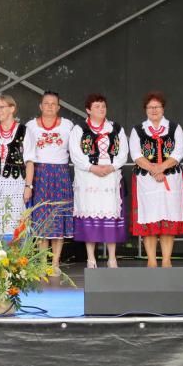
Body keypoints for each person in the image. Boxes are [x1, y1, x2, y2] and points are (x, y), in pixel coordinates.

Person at [129, 91, 183, 268]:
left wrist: (161, 167)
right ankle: (151, 260)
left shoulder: (174, 128)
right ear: (145, 109)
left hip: (170, 178)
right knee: (149, 220)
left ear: (163, 109)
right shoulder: (138, 130)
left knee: (168, 219)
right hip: (146, 181)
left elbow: (179, 151)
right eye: (150, 107)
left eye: (157, 107)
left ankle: (166, 259)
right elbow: (136, 154)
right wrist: (153, 169)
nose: (154, 110)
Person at [69, 93, 129, 268]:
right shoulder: (79, 129)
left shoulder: (116, 128)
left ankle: (112, 258)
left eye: (103, 106)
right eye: (97, 106)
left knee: (110, 214)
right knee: (90, 215)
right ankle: (91, 258)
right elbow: (75, 154)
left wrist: (111, 167)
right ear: (88, 110)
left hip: (110, 177)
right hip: (88, 178)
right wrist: (92, 167)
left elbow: (123, 153)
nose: (101, 109)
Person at [25, 91, 75, 275]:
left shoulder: (68, 125)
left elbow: (75, 150)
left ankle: (55, 263)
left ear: (58, 107)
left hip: (60, 174)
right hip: (39, 174)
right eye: (46, 103)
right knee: (41, 218)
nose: (50, 107)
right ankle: (41, 263)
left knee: (58, 217)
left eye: (53, 104)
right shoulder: (30, 126)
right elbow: (26, 153)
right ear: (40, 106)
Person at [0, 94, 36, 237]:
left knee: (14, 221)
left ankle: (13, 250)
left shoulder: (24, 131)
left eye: (2, 107)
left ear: (12, 108)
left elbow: (29, 162)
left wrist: (28, 187)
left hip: (15, 184)